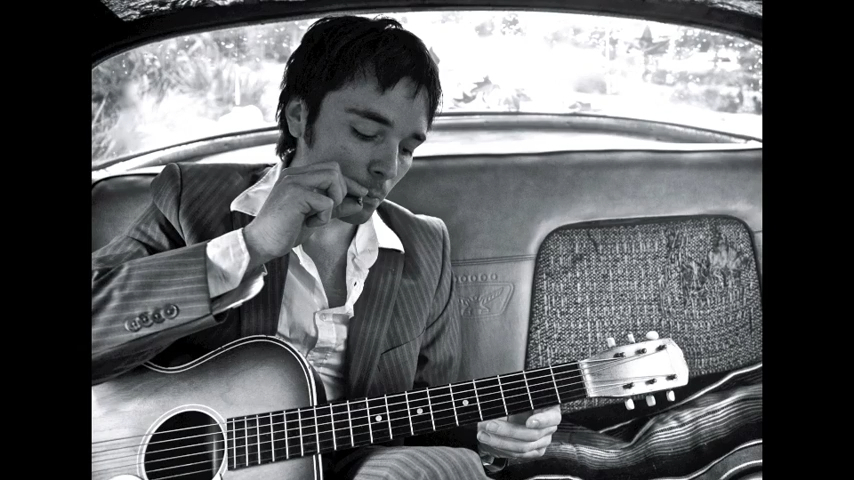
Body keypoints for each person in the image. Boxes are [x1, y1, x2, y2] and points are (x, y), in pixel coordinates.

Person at [92, 15, 560, 479]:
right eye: (366, 133)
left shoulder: (425, 246)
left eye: (408, 148)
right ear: (298, 116)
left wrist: (490, 432)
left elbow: (434, 417)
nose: (387, 167)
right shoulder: (192, 200)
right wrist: (250, 247)